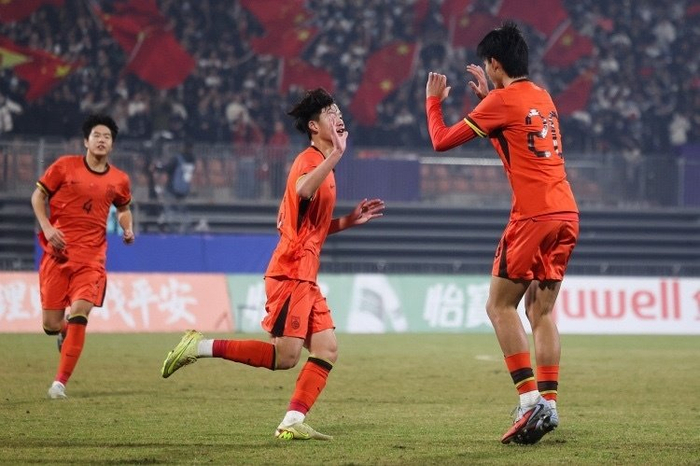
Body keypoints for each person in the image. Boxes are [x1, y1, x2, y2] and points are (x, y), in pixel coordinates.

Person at [161, 88, 385, 440]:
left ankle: (292, 420)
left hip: (306, 274)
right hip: (291, 271)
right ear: (314, 126)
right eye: (330, 113)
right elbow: (302, 191)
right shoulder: (310, 160)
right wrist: (336, 155)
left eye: (339, 111)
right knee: (285, 357)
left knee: (327, 348)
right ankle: (199, 347)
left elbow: (309, 225)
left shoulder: (325, 164)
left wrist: (347, 221)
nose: (338, 117)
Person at [424, 22, 579, 445]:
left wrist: (433, 102)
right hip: (566, 211)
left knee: (498, 306)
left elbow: (441, 141)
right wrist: (487, 104)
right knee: (541, 312)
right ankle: (549, 404)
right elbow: (513, 143)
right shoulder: (542, 96)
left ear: (494, 64)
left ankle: (529, 402)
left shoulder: (502, 101)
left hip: (533, 216)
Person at [31, 114, 134, 399]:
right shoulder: (64, 167)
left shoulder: (119, 179)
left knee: (79, 312)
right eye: (97, 135)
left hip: (92, 259)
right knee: (50, 325)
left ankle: (59, 383)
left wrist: (127, 228)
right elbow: (38, 197)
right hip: (58, 256)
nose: (102, 140)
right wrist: (47, 227)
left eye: (107, 137)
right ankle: (64, 331)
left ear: (112, 144)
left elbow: (123, 208)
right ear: (86, 141)